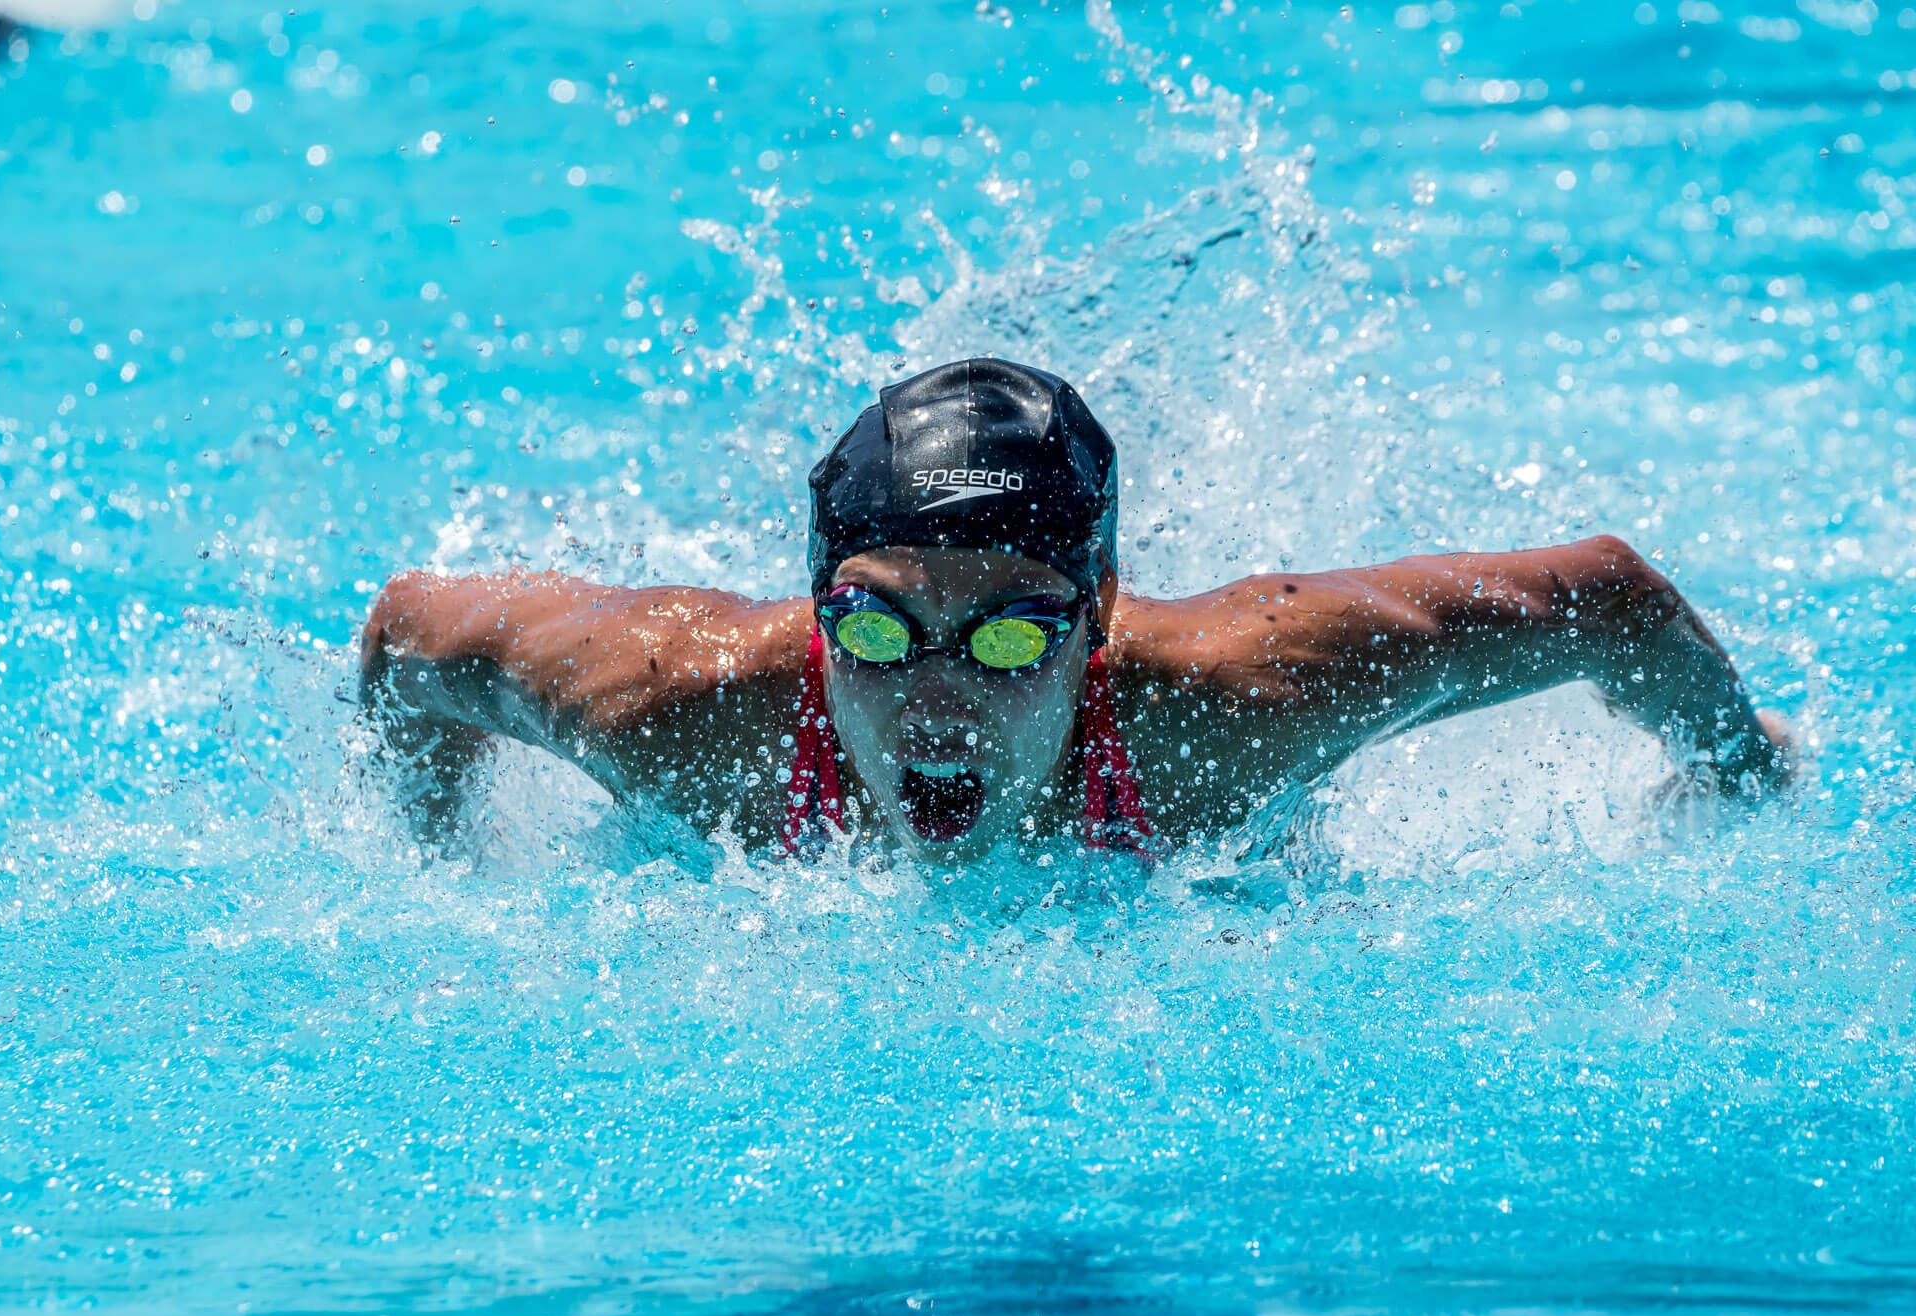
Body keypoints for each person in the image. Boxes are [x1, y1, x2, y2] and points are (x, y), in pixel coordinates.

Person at [360, 357, 1789, 863]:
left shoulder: (1237, 702)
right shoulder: (681, 708)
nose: (934, 695)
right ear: (814, 610)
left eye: (1009, 638)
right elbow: (408, 633)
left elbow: (1605, 595)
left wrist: (1740, 774)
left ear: (1098, 618)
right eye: (872, 627)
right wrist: (442, 875)